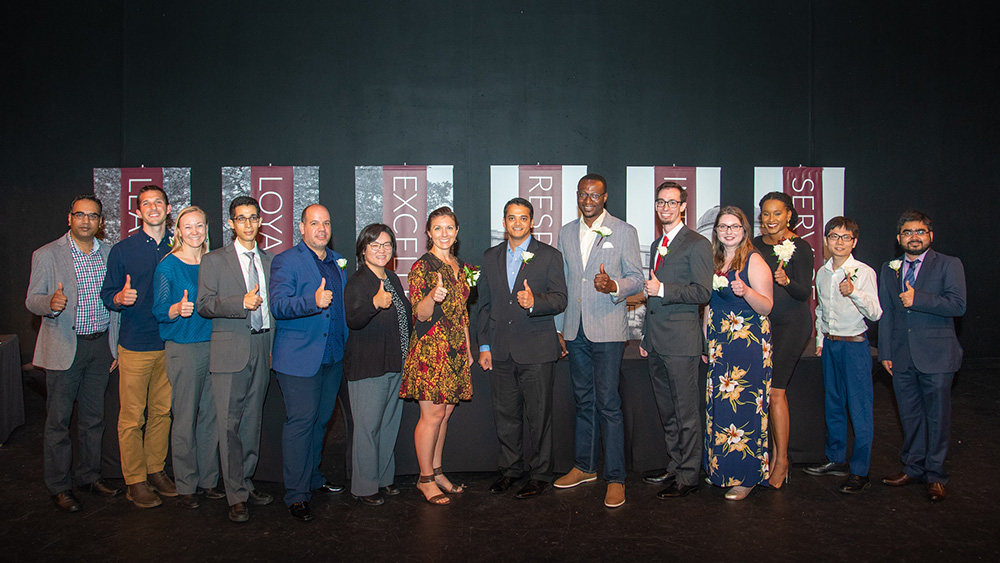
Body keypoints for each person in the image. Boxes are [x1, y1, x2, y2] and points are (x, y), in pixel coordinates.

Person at [553, 174, 644, 508]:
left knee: (608, 403)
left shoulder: (624, 231)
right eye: (583, 194)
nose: (588, 199)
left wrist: (614, 286)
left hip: (607, 329)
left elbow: (638, 279)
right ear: (577, 196)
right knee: (583, 400)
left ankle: (616, 477)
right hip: (575, 330)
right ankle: (584, 466)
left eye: (595, 194)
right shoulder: (565, 231)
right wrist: (560, 327)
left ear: (605, 197)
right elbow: (563, 283)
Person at [26, 195, 122, 512]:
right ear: (70, 218)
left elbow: (115, 303)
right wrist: (49, 305)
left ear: (101, 222)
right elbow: (32, 300)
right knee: (58, 422)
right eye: (80, 215)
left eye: (92, 216)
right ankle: (59, 486)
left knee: (93, 420)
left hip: (100, 346)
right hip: (64, 347)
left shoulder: (109, 253)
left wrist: (116, 345)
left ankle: (89, 477)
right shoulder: (46, 254)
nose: (86, 221)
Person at [477, 198, 568, 500]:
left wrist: (535, 303)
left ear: (532, 222)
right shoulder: (490, 257)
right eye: (511, 218)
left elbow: (560, 299)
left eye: (523, 218)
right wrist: (485, 344)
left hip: (537, 350)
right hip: (501, 350)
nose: (517, 223)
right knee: (505, 416)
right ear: (504, 222)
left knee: (539, 416)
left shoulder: (550, 256)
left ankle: (540, 474)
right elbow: (484, 305)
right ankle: (510, 470)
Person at [196, 196, 276, 522]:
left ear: (259, 222)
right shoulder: (214, 260)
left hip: (262, 347)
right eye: (240, 218)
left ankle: (246, 481)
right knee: (228, 425)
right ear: (231, 223)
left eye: (253, 218)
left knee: (252, 421)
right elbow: (204, 304)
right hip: (230, 351)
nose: (247, 224)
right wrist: (239, 302)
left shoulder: (270, 261)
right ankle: (235, 495)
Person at [878, 210, 965, 502]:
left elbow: (958, 305)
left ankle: (936, 475)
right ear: (899, 238)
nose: (913, 237)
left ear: (930, 235)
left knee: (937, 417)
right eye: (907, 232)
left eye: (920, 232)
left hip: (938, 356)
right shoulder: (889, 269)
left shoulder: (949, 265)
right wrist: (886, 353)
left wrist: (920, 299)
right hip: (901, 357)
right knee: (910, 416)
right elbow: (888, 314)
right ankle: (913, 467)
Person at [269, 204, 349, 522]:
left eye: (326, 223)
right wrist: (311, 302)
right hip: (299, 359)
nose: (321, 228)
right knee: (301, 424)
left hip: (332, 358)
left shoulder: (336, 262)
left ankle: (313, 479)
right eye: (314, 223)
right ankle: (296, 494)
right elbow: (277, 305)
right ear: (301, 228)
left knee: (320, 423)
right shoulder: (286, 260)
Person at [100, 185, 177, 508]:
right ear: (137, 211)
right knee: (132, 417)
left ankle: (155, 469)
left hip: (171, 343)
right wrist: (119, 298)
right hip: (136, 343)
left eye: (158, 202)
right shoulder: (123, 250)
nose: (153, 208)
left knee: (162, 413)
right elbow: (108, 295)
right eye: (146, 203)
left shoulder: (180, 246)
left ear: (168, 207)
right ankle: (135, 480)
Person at [637, 182, 713, 499]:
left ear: (683, 206)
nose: (665, 207)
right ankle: (675, 465)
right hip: (656, 341)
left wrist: (664, 291)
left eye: (672, 202)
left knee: (685, 413)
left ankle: (689, 475)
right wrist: (644, 335)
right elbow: (651, 294)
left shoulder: (697, 244)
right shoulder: (658, 244)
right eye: (660, 202)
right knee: (668, 411)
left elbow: (703, 292)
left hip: (682, 342)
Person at [400, 206, 473, 506]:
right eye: (437, 228)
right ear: (429, 233)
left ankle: (438, 471)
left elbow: (462, 313)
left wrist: (467, 346)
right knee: (431, 416)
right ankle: (425, 478)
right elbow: (419, 313)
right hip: (431, 349)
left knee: (444, 414)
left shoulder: (460, 265)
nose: (444, 233)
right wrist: (432, 296)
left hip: (456, 348)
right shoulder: (422, 267)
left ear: (456, 233)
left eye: (449, 228)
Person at [805, 217, 882, 493]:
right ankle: (836, 458)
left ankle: (860, 471)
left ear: (854, 242)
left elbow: (875, 312)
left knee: (859, 409)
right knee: (833, 404)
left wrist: (855, 292)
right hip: (831, 346)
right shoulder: (823, 273)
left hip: (855, 346)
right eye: (834, 236)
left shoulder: (864, 272)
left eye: (845, 237)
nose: (839, 242)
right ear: (825, 241)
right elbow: (821, 310)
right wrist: (822, 338)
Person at [152, 206, 222, 509]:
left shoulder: (214, 262)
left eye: (199, 226)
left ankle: (208, 480)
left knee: (211, 417)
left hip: (216, 348)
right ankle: (185, 484)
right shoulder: (168, 267)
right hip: (184, 348)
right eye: (187, 227)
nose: (194, 232)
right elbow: (158, 310)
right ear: (177, 231)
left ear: (207, 228)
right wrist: (175, 310)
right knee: (184, 418)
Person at [703, 206, 773, 501]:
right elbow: (707, 304)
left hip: (748, 345)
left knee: (745, 408)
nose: (728, 231)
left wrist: (746, 291)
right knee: (720, 408)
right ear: (716, 231)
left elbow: (767, 306)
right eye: (723, 227)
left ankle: (746, 478)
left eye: (734, 226)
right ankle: (720, 471)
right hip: (720, 343)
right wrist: (705, 339)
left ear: (744, 231)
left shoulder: (753, 260)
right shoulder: (713, 259)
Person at [344, 224, 411, 506]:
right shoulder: (358, 281)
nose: (382, 250)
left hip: (394, 364)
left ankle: (384, 479)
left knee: (387, 426)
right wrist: (374, 303)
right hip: (368, 367)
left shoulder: (393, 278)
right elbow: (354, 319)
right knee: (368, 429)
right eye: (375, 245)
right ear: (363, 250)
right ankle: (364, 487)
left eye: (387, 245)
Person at [751, 191, 814, 488]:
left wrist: (786, 281)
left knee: (776, 392)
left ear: (789, 214)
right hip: (762, 325)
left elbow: (804, 294)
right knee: (762, 394)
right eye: (765, 213)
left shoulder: (800, 247)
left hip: (792, 324)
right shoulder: (753, 245)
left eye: (777, 213)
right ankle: (767, 457)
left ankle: (782, 461)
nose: (771, 219)